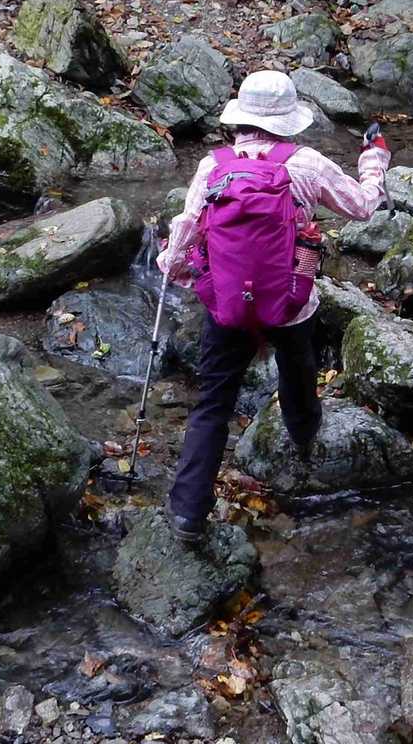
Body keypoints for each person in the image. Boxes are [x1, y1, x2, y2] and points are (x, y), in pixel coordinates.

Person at [156, 69, 390, 543]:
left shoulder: (213, 166)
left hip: (226, 306)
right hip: (290, 301)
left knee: (212, 403)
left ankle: (187, 513)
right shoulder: (307, 164)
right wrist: (374, 159)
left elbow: (186, 231)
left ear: (240, 117)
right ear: (288, 120)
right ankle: (303, 432)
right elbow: (364, 207)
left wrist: (175, 270)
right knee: (298, 365)